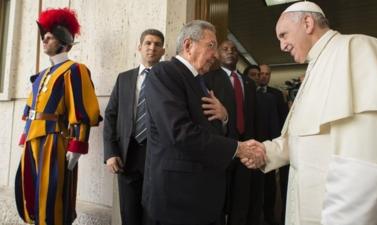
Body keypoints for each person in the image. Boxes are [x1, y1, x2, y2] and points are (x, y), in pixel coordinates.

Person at [243, 1, 377, 225]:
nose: (282, 45)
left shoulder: (357, 49)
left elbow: (369, 166)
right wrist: (266, 151)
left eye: (284, 35)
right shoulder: (316, 65)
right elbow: (306, 139)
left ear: (307, 23)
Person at [142, 20, 265, 225]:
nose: (215, 54)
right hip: (178, 199)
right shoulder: (164, 73)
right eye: (211, 45)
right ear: (188, 45)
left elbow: (210, 128)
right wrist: (238, 148)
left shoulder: (200, 81)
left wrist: (224, 117)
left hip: (203, 196)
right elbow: (180, 133)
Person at [15, 8, 101, 225]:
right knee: (30, 193)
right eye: (44, 35)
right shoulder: (41, 75)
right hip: (33, 139)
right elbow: (30, 111)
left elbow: (81, 111)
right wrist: (25, 136)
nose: (44, 39)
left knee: (51, 196)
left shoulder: (75, 70)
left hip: (54, 139)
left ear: (63, 41)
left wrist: (78, 146)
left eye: (50, 36)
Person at [103, 29, 165, 225]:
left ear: (163, 51)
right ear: (139, 47)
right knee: (129, 214)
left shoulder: (169, 79)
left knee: (154, 216)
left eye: (157, 44)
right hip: (126, 155)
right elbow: (111, 115)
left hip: (157, 155)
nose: (152, 48)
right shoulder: (124, 78)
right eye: (148, 43)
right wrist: (110, 152)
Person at [204, 40, 259, 225]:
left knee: (241, 199)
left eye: (234, 49)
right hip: (222, 147)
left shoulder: (249, 83)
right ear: (218, 54)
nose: (230, 52)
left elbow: (252, 116)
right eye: (225, 49)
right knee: (218, 198)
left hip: (247, 147)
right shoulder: (208, 79)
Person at [256, 64, 288, 225]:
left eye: (267, 74)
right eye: (261, 73)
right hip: (252, 143)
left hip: (270, 145)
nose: (263, 76)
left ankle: (269, 216)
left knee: (269, 186)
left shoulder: (276, 95)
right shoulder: (248, 92)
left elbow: (282, 120)